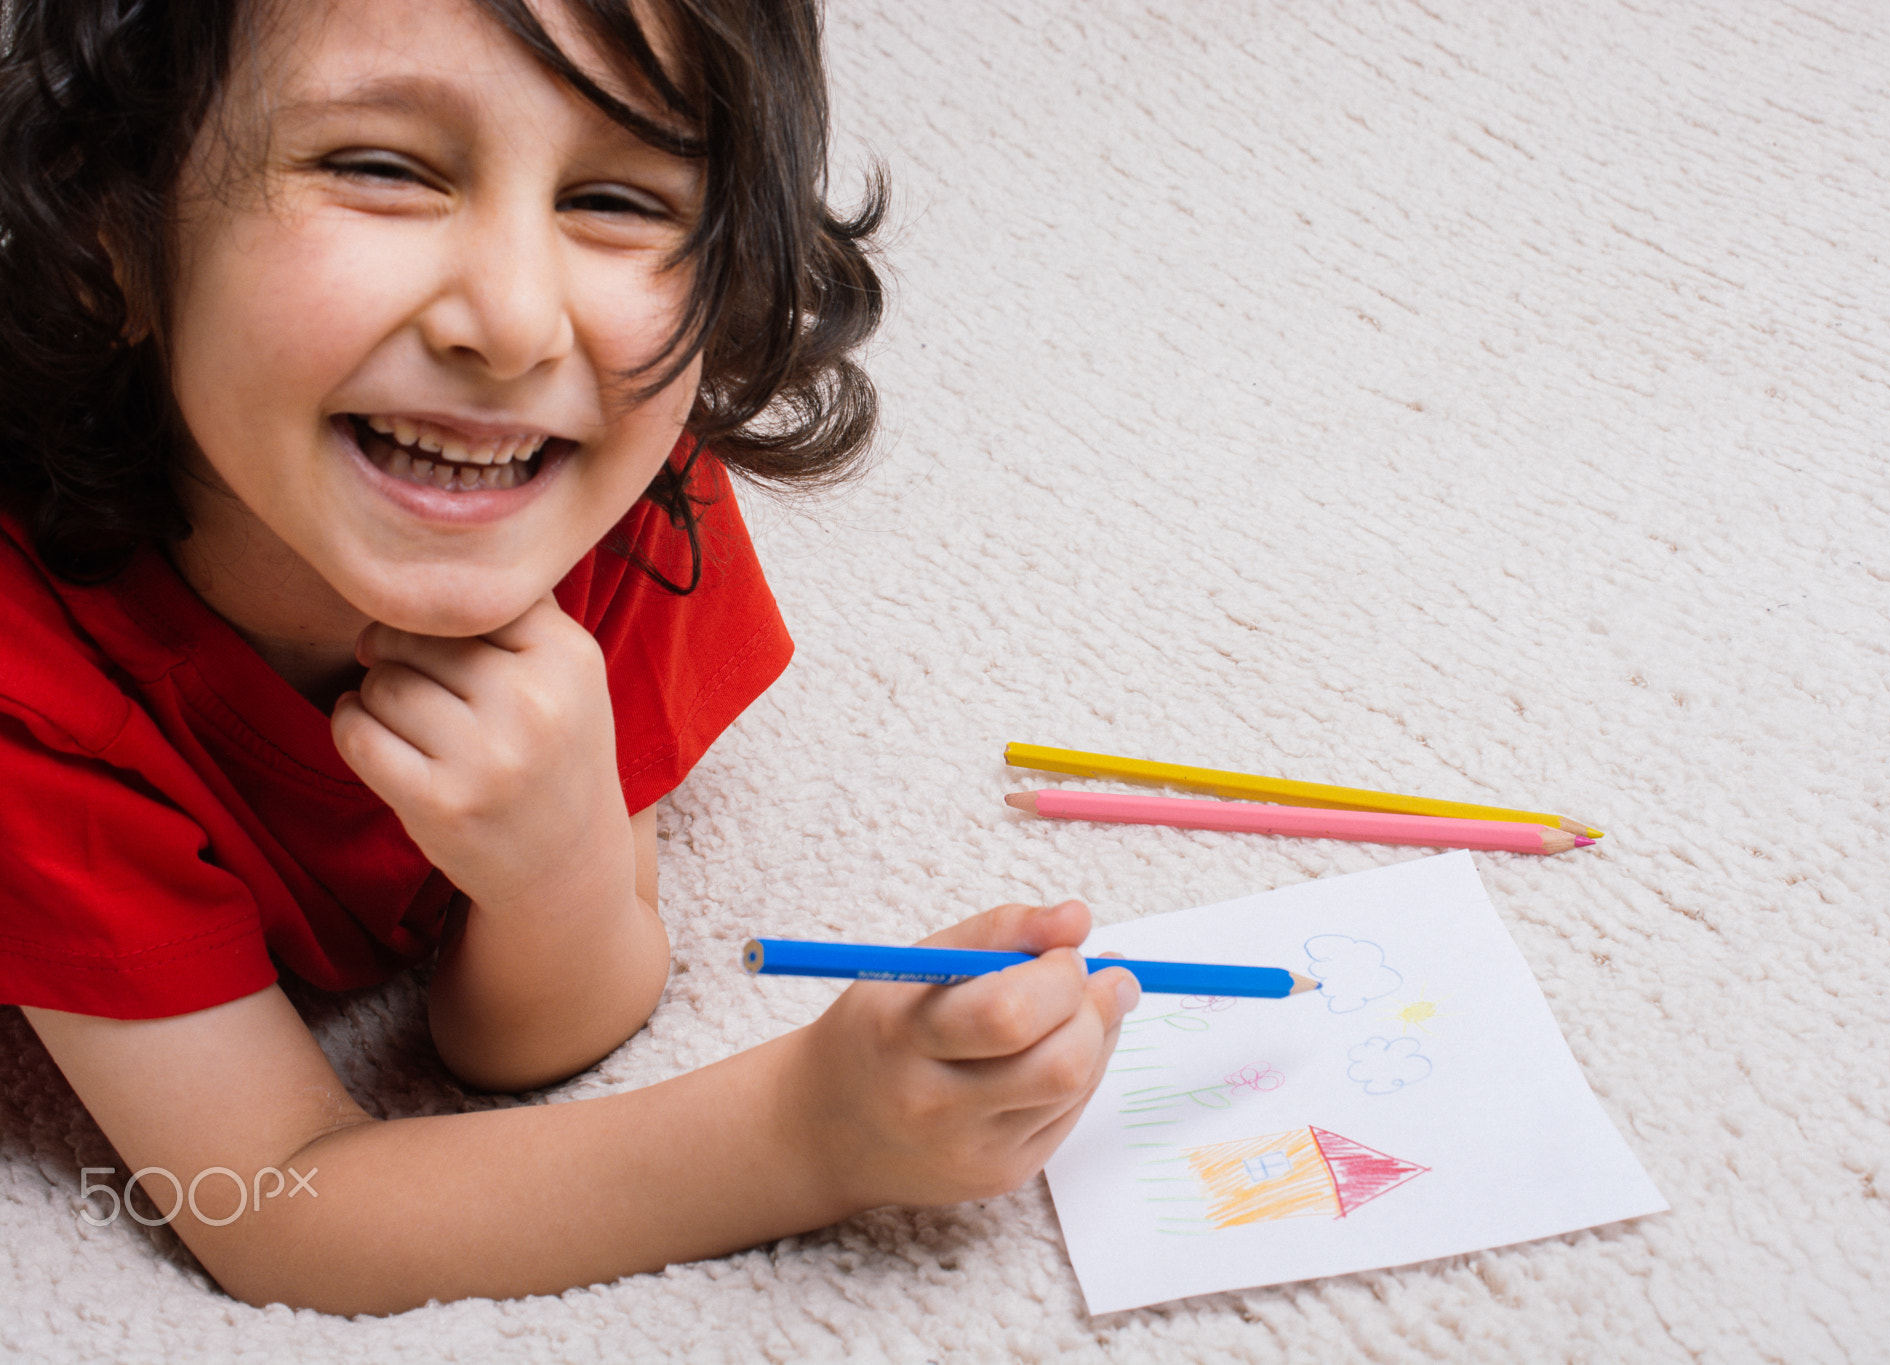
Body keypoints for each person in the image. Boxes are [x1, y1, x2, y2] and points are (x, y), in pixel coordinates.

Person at [0, 0, 1138, 1315]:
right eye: (379, 167)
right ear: (112, 232)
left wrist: (559, 868)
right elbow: (266, 1201)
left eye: (614, 196)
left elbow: (515, 1038)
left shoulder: (608, 492)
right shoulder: (34, 689)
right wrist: (808, 1134)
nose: (514, 321)